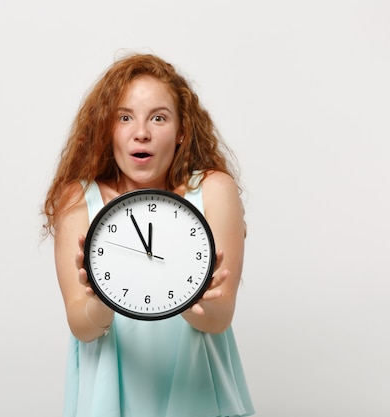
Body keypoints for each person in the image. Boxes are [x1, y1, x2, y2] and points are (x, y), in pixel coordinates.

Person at [43, 53, 255, 417]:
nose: (141, 131)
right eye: (125, 117)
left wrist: (188, 294)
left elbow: (219, 317)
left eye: (158, 117)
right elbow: (82, 325)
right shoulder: (78, 199)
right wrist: (100, 296)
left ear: (182, 132)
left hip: (198, 394)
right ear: (107, 129)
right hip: (111, 399)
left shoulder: (213, 190)